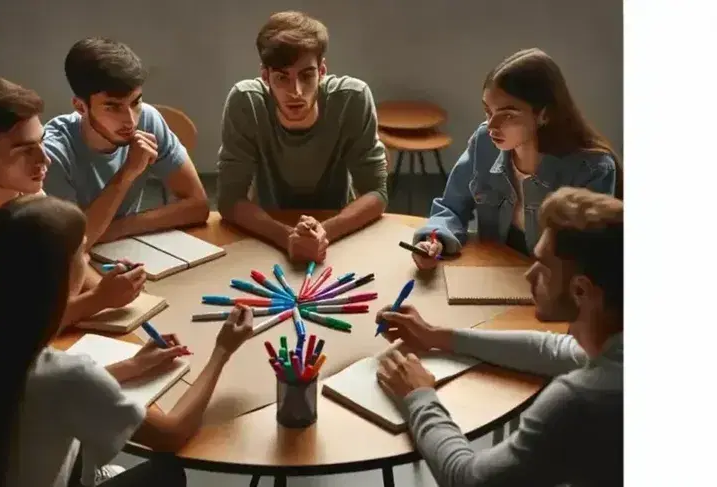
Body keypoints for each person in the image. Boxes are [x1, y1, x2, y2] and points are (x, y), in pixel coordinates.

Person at [0, 195, 255, 487]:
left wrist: (132, 365)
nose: (87, 260)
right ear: (63, 276)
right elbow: (171, 435)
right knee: (167, 474)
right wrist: (222, 351)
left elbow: (40, 392)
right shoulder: (68, 376)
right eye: (82, 253)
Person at [376, 187, 623, 486]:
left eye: (543, 267)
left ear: (581, 291)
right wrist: (435, 336)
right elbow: (555, 350)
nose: (529, 276)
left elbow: (467, 479)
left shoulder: (578, 401)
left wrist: (418, 397)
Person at [0, 76, 146, 327]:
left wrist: (109, 284)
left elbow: (46, 300)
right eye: (24, 150)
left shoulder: (28, 196)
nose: (45, 160)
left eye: (41, 141)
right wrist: (96, 300)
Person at [410, 48, 622, 270]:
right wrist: (435, 241)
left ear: (544, 115)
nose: (491, 126)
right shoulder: (484, 142)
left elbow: (587, 261)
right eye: (488, 111)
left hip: (552, 289)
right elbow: (451, 207)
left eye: (508, 115)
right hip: (494, 274)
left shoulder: (592, 169)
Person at [217, 11, 388, 263]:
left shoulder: (352, 98)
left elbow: (376, 192)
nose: (295, 91)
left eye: (306, 76)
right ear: (265, 77)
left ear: (322, 71)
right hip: (266, 231)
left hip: (338, 230)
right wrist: (286, 237)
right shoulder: (246, 102)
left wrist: (323, 233)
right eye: (282, 77)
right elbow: (230, 200)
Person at [42, 37, 210, 248]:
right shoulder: (51, 153)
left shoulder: (148, 119)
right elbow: (73, 244)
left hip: (123, 246)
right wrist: (127, 173)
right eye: (112, 107)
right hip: (71, 264)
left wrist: (117, 228)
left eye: (135, 102)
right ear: (80, 106)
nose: (130, 121)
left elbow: (198, 206)